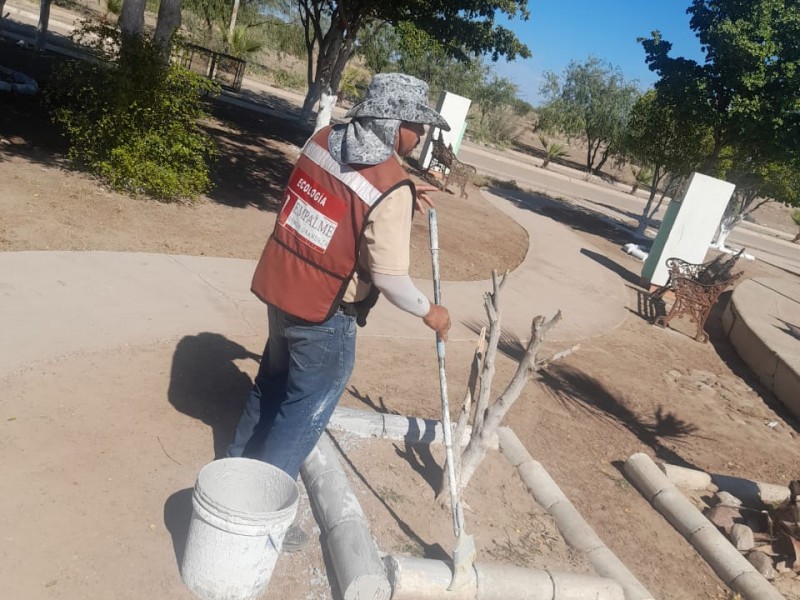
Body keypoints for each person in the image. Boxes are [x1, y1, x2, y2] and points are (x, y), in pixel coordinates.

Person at [226, 73, 452, 492]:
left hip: (282, 289)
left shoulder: (323, 139)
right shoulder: (390, 185)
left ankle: (233, 472)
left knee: (271, 385)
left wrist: (400, 194)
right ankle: (259, 502)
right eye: (416, 125)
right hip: (326, 318)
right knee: (302, 414)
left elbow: (339, 196)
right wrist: (431, 313)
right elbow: (389, 279)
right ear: (392, 122)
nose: (421, 135)